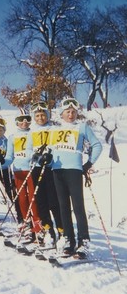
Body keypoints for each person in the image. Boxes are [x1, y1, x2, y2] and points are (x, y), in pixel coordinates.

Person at [51, 97, 102, 258]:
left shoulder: (82, 127)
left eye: (73, 111)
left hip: (74, 170)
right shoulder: (54, 130)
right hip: (57, 170)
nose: (71, 114)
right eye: (68, 111)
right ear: (62, 114)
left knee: (78, 206)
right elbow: (50, 150)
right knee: (63, 207)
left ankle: (83, 241)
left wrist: (88, 164)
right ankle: (69, 240)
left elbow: (97, 145)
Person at [26, 101, 63, 244]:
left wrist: (50, 154)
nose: (40, 118)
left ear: (47, 116)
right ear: (34, 117)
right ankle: (48, 229)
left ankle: (61, 229)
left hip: (50, 167)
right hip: (37, 167)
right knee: (40, 200)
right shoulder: (32, 132)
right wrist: (34, 155)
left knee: (53, 200)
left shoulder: (53, 129)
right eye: (38, 115)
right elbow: (29, 149)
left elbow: (57, 145)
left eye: (43, 115)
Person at [9, 113, 42, 238]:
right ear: (16, 122)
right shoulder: (12, 137)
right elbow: (9, 156)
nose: (24, 122)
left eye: (27, 119)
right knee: (22, 198)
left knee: (33, 197)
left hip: (31, 169)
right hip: (18, 170)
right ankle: (26, 221)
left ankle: (37, 222)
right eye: (20, 119)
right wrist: (3, 161)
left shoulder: (34, 134)